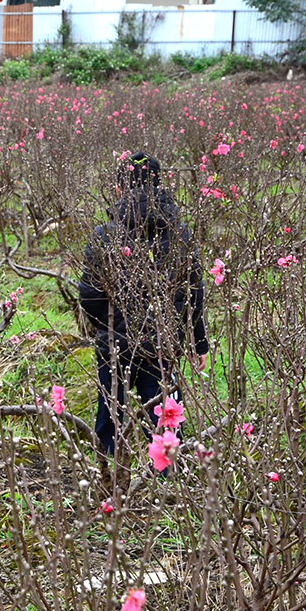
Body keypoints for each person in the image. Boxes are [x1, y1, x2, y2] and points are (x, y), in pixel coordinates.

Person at [78, 152, 209, 459]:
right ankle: (169, 480)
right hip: (163, 343)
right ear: (159, 185)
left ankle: (109, 474)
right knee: (166, 416)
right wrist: (197, 342)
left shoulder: (104, 235)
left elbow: (88, 295)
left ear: (120, 189)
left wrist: (109, 325)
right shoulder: (180, 233)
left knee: (110, 412)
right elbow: (194, 291)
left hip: (115, 343)